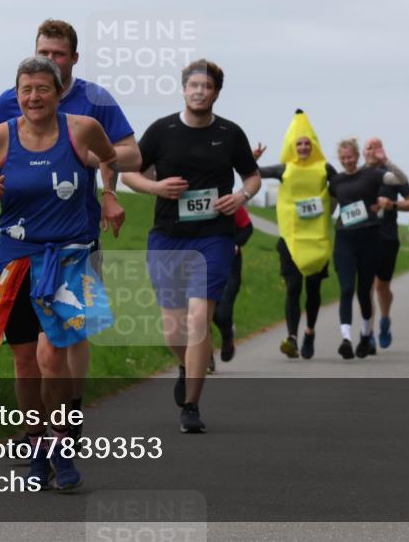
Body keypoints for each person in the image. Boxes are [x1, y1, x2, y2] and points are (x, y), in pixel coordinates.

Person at [0, 56, 119, 490]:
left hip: (69, 258)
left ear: (57, 93)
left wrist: (108, 195)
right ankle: (37, 445)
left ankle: (61, 445)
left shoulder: (81, 128)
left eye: (42, 89)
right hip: (16, 261)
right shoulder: (0, 138)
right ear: (17, 95)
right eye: (26, 90)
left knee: (53, 357)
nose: (34, 97)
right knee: (26, 363)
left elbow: (111, 158)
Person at [0, 19, 141, 443]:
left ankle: (68, 413)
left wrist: (94, 169)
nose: (49, 60)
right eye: (43, 51)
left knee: (71, 327)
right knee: (29, 344)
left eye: (58, 54)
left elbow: (130, 151)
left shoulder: (95, 100)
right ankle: (37, 427)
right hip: (24, 235)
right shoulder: (10, 98)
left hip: (77, 229)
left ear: (74, 58)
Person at [122, 59, 261, 432]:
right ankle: (188, 364)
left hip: (214, 236)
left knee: (199, 318)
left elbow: (252, 175)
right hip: (168, 236)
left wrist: (241, 197)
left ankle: (191, 407)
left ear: (216, 92)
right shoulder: (162, 130)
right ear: (184, 89)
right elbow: (130, 172)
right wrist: (156, 188)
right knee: (173, 327)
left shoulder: (231, 133)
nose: (200, 91)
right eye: (193, 85)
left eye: (207, 86)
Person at [258, 110, 335, 360]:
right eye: (299, 143)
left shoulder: (325, 168)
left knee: (312, 291)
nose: (303, 147)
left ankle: (309, 333)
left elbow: (344, 187)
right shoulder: (285, 169)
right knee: (293, 287)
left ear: (314, 145)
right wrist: (250, 159)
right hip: (290, 241)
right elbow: (255, 173)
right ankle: (292, 337)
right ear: (292, 146)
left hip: (316, 241)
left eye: (307, 143)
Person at [330, 139, 409, 359]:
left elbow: (402, 179)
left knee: (364, 292)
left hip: (369, 240)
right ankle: (346, 338)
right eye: (343, 158)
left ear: (357, 156)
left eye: (350, 157)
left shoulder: (372, 175)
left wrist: (386, 161)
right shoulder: (336, 181)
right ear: (340, 158)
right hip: (344, 239)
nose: (347, 161)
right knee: (346, 289)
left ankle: (365, 335)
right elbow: (329, 208)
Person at [364, 137, 409, 352]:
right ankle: (367, 332)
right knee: (366, 286)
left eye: (376, 147)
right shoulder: (359, 174)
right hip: (364, 236)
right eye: (369, 147)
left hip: (387, 237)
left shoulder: (392, 175)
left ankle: (384, 322)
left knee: (382, 285)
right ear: (363, 152)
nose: (372, 151)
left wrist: (392, 204)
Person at [208, 204, 254, 372]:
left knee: (223, 312)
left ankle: (228, 336)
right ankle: (207, 359)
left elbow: (247, 228)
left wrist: (236, 243)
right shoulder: (190, 200)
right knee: (203, 315)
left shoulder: (229, 202)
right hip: (200, 265)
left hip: (230, 266)